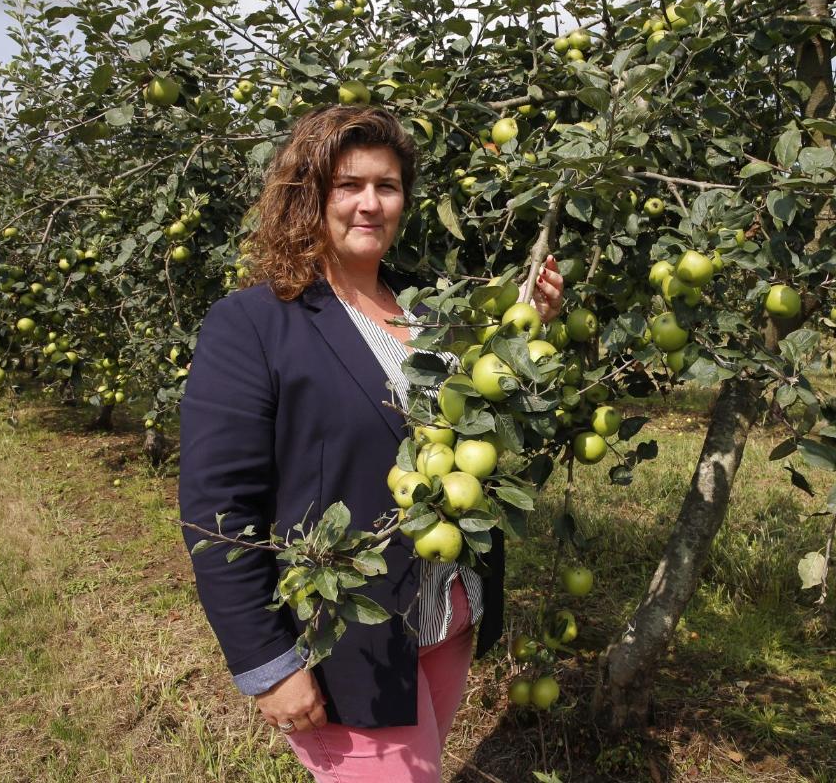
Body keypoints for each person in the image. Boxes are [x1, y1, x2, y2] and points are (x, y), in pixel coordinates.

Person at [179, 105, 564, 781]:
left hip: (444, 615)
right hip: (346, 640)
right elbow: (217, 508)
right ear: (310, 194)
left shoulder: (426, 312)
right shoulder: (256, 322)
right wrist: (268, 666)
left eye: (386, 186)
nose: (369, 203)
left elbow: (482, 424)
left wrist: (526, 333)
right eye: (347, 185)